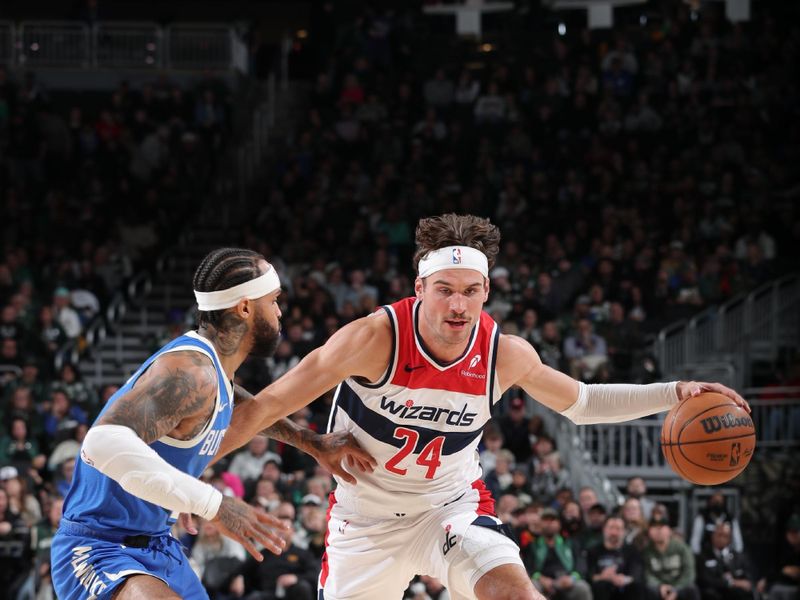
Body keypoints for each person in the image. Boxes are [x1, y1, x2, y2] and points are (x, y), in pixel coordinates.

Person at [215, 214, 748, 600]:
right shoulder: (371, 339)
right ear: (419, 287)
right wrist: (188, 484)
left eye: (471, 291)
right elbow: (264, 407)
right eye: (444, 289)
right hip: (364, 521)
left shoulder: (504, 355)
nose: (457, 304)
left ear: (487, 291)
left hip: (450, 508)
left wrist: (673, 392)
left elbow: (584, 403)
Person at [49, 248, 372, 600]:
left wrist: (310, 442)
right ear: (245, 307)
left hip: (157, 545)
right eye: (274, 300)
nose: (280, 311)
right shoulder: (191, 372)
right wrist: (212, 504)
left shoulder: (214, 373)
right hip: (99, 546)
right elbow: (101, 444)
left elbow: (245, 407)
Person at [586, 515, 646, 600]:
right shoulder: (593, 551)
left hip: (625, 589)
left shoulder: (632, 550)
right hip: (601, 590)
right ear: (604, 529)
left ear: (624, 531)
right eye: (611, 528)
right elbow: (589, 575)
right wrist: (602, 577)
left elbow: (637, 574)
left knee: (637, 587)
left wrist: (624, 579)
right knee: (601, 585)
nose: (614, 532)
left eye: (618, 529)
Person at [643, 517, 700, 600]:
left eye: (661, 527)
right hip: (659, 587)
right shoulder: (646, 551)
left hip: (679, 585)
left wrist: (676, 589)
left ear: (669, 530)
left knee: (692, 589)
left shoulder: (682, 548)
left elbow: (689, 573)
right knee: (648, 589)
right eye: (654, 527)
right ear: (649, 532)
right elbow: (647, 574)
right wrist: (660, 586)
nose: (658, 531)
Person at [695, 521, 754, 600]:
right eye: (719, 535)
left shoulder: (738, 557)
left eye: (725, 536)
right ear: (713, 536)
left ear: (729, 539)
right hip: (713, 593)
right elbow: (705, 579)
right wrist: (731, 583)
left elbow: (748, 578)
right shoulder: (703, 556)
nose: (721, 539)